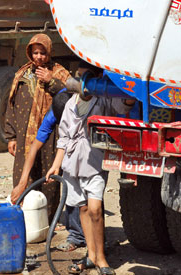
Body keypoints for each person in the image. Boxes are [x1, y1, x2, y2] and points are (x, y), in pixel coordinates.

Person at [45, 76, 135, 274]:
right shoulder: (70, 104)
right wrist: (55, 166)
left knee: (95, 208)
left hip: (94, 161)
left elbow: (124, 106)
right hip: (71, 163)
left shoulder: (102, 100)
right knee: (83, 209)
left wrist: (129, 90)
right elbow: (64, 138)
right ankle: (91, 255)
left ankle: (101, 258)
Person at [5, 33, 70, 222]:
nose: (38, 57)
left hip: (51, 133)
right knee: (23, 173)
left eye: (43, 53)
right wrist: (12, 136)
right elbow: (12, 105)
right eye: (35, 53)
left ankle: (48, 219)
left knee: (49, 175)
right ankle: (23, 214)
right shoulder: (22, 75)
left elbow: (70, 98)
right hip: (25, 134)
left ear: (50, 52)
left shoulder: (60, 73)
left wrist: (51, 80)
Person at [10, 89, 86, 250]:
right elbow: (34, 148)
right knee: (70, 183)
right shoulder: (54, 112)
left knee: (90, 191)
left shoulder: (88, 103)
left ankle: (92, 236)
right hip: (70, 142)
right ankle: (76, 235)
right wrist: (22, 182)